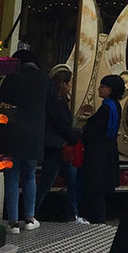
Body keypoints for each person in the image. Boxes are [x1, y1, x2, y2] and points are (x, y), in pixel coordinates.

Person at [0, 48, 49, 233]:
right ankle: (30, 218)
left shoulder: (12, 78)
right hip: (34, 136)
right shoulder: (44, 79)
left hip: (10, 135)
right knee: (29, 176)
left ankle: (12, 223)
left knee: (11, 177)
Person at [35, 65, 86, 223]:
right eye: (69, 83)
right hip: (56, 147)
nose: (71, 86)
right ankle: (33, 212)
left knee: (68, 180)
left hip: (57, 146)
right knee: (47, 183)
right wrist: (75, 137)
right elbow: (62, 125)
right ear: (63, 84)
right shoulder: (56, 103)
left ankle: (72, 213)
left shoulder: (52, 100)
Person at [81, 74, 125, 224]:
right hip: (108, 152)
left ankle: (96, 220)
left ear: (110, 90)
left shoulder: (106, 109)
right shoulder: (115, 106)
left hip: (98, 154)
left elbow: (93, 131)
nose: (100, 89)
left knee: (96, 190)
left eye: (103, 86)